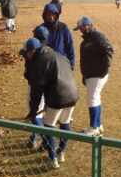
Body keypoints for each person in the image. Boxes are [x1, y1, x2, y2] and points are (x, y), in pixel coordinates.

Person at [20, 37, 79, 169]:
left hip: (57, 96)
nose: (26, 57)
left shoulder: (39, 63)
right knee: (65, 122)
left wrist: (33, 112)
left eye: (26, 53)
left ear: (32, 51)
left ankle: (52, 160)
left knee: (48, 126)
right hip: (73, 94)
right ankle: (61, 153)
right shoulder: (58, 55)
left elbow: (36, 92)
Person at [74, 17, 113, 136]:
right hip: (92, 74)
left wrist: (104, 68)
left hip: (97, 74)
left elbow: (108, 49)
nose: (81, 30)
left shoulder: (97, 36)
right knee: (96, 98)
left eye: (82, 27)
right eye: (79, 28)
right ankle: (98, 125)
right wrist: (85, 75)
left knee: (92, 99)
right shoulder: (87, 40)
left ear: (89, 25)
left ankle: (93, 127)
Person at [26, 25, 49, 149]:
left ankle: (46, 140)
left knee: (35, 113)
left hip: (36, 86)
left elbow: (30, 73)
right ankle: (33, 138)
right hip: (46, 87)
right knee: (38, 113)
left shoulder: (35, 53)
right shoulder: (48, 50)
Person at [41, 3, 75, 69]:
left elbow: (70, 45)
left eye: (53, 14)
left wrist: (72, 63)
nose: (51, 17)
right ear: (45, 16)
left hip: (62, 63)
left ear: (56, 15)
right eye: (49, 15)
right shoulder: (40, 29)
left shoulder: (63, 27)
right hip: (46, 64)